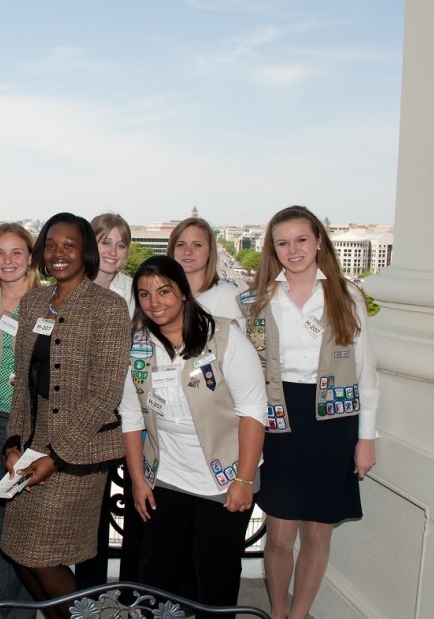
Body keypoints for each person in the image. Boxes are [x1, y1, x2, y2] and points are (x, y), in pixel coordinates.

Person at [242, 206, 378, 619]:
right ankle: (277, 612)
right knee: (279, 534)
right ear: (273, 249)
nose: (293, 250)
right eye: (283, 243)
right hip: (279, 419)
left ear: (319, 240)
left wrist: (366, 439)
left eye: (301, 239)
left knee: (318, 534)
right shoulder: (258, 297)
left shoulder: (346, 295)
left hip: (333, 423)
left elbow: (366, 372)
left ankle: (298, 616)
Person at [0, 212, 131, 619]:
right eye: (52, 245)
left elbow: (105, 393)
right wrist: (12, 443)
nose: (59, 253)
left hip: (79, 451)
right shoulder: (33, 303)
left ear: (85, 251)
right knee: (16, 550)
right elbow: (22, 381)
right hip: (32, 446)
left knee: (40, 556)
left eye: (69, 245)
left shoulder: (109, 307)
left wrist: (55, 456)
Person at [120, 256, 266, 617]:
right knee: (157, 577)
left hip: (223, 479)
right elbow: (132, 417)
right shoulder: (137, 346)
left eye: (164, 291)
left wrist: (244, 480)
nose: (154, 302)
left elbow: (253, 413)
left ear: (183, 292)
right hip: (166, 477)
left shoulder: (226, 338)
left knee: (214, 578)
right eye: (144, 294)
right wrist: (138, 481)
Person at [0, 224, 40, 619]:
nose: (8, 260)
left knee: (28, 525)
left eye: (17, 252)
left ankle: (23, 610)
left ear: (30, 257)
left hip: (34, 431)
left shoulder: (50, 302)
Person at [81, 212, 134, 588]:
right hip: (86, 418)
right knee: (91, 515)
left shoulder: (137, 292)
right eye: (105, 242)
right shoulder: (69, 289)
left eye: (121, 244)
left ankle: (133, 595)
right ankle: (88, 594)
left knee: (137, 507)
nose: (114, 251)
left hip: (133, 414)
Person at [167, 217, 244, 326]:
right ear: (172, 251)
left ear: (210, 251)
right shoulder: (160, 295)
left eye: (197, 245)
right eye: (180, 244)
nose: (187, 251)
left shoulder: (226, 295)